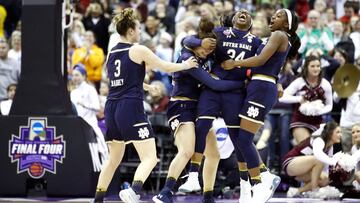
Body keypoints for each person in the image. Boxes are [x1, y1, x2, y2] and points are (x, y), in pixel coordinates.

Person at [93, 8, 199, 203]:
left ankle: (98, 199)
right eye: (139, 29)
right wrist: (186, 65)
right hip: (130, 107)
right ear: (131, 30)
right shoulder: (138, 49)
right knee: (150, 157)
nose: (140, 32)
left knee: (113, 160)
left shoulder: (111, 53)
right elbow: (165, 67)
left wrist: (146, 86)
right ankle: (133, 191)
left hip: (111, 107)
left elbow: (120, 79)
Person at [152, 17, 246, 203]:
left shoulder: (205, 52)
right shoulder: (188, 58)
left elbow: (205, 43)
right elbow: (213, 84)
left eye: (208, 51)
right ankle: (165, 192)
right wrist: (240, 84)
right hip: (181, 106)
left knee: (213, 154)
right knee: (187, 151)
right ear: (196, 46)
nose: (205, 54)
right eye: (203, 50)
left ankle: (208, 197)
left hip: (198, 107)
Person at [221, 9, 301, 202]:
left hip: (263, 88)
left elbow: (260, 60)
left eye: (279, 15)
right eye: (273, 14)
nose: (273, 17)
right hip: (259, 85)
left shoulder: (279, 35)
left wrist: (234, 63)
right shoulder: (273, 37)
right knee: (241, 138)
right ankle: (257, 180)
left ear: (287, 24)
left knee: (244, 139)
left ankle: (263, 179)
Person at [279, 55, 333, 145]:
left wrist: (319, 111)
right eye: (312, 66)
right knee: (306, 148)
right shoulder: (299, 82)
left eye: (318, 66)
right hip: (300, 120)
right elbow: (281, 97)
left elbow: (329, 105)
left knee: (317, 150)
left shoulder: (325, 84)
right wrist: (299, 99)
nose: (316, 69)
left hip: (318, 122)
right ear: (306, 68)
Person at [283, 121, 342, 197]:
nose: (340, 135)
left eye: (340, 132)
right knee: (319, 160)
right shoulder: (319, 140)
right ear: (330, 133)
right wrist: (334, 161)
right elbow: (318, 155)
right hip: (290, 164)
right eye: (337, 132)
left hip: (302, 170)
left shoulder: (330, 146)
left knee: (326, 179)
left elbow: (326, 169)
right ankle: (314, 190)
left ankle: (296, 191)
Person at [70, 64, 109, 171]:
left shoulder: (90, 89)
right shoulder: (73, 92)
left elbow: (97, 107)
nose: (75, 77)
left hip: (90, 125)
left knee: (98, 152)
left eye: (77, 75)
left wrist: (84, 104)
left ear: (84, 76)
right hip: (77, 126)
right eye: (73, 75)